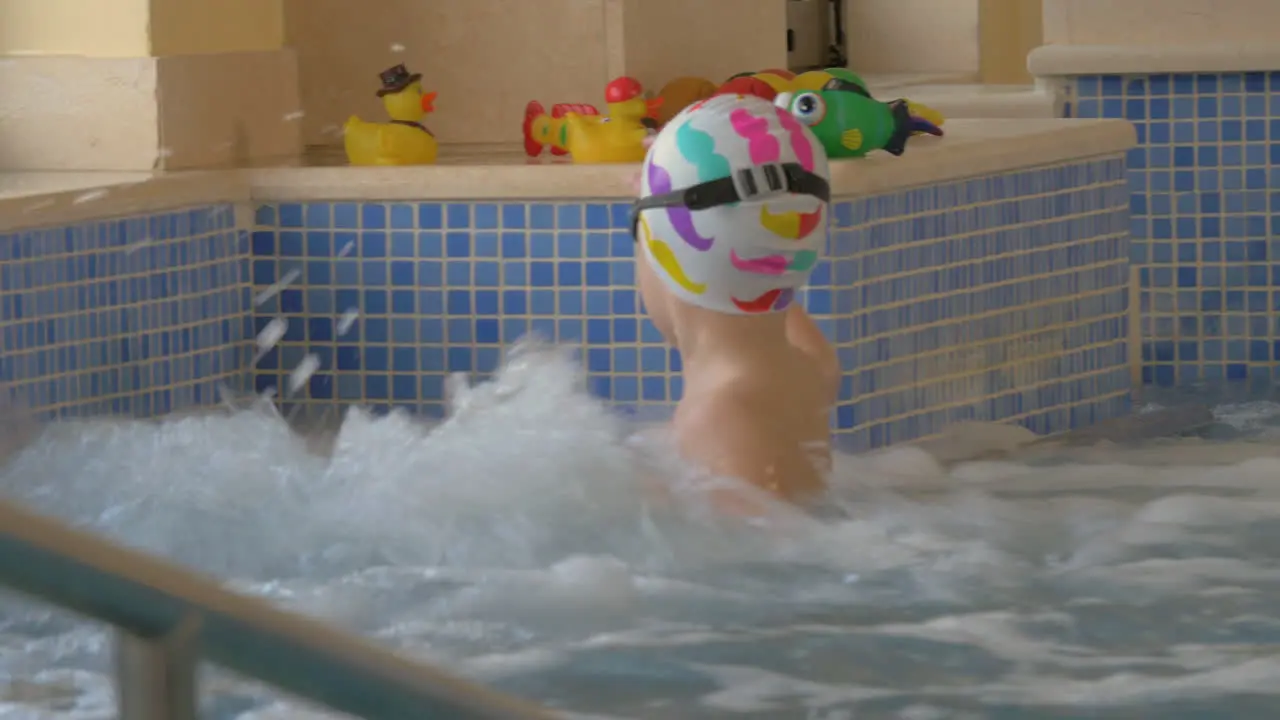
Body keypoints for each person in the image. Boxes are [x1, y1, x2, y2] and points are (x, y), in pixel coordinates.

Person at [630, 94, 839, 511]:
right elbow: (758, 265)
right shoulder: (808, 371)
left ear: (670, 254)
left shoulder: (718, 420)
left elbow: (759, 555)